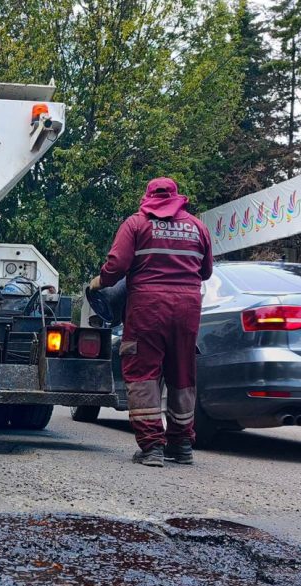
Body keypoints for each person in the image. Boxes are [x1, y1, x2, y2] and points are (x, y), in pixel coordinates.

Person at [89, 177, 213, 468]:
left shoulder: (136, 224)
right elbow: (206, 272)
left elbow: (117, 266)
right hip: (187, 307)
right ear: (176, 197)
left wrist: (100, 281)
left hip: (147, 307)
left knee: (143, 373)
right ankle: (181, 445)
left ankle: (152, 447)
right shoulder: (198, 227)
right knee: (182, 374)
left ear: (147, 197)